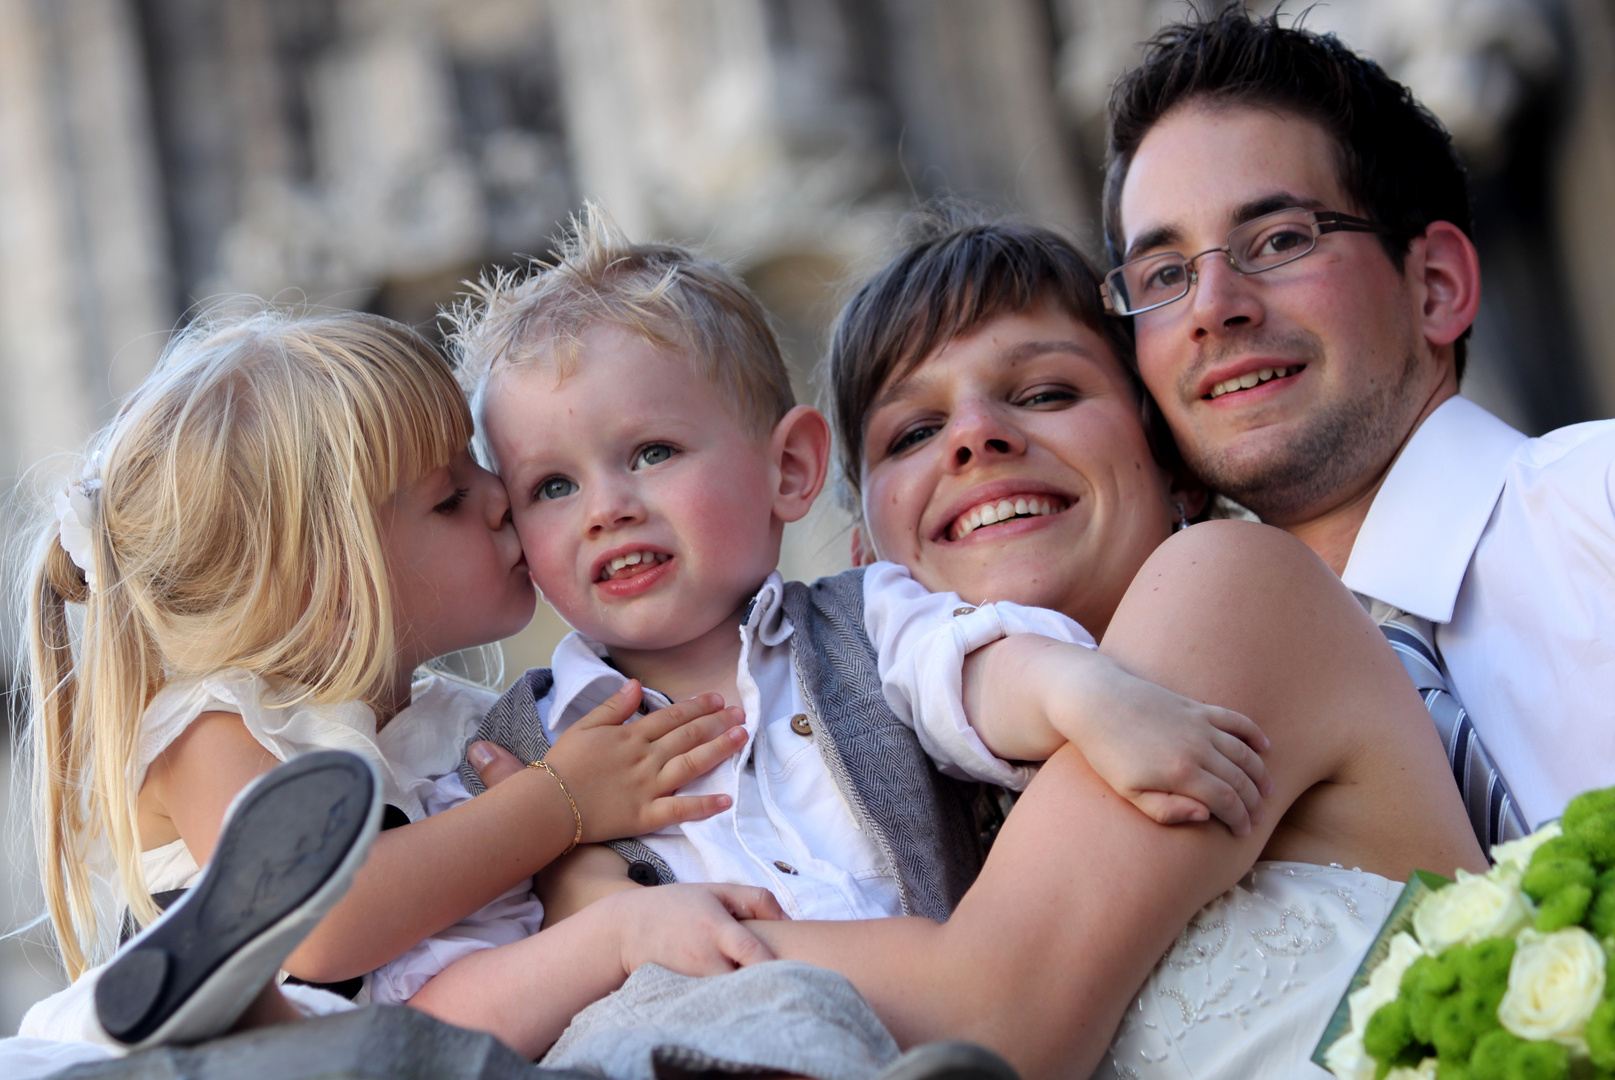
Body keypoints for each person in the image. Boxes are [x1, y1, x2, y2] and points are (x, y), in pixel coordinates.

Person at [400, 207, 1275, 1076]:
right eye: (551, 485)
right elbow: (431, 1016)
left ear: (788, 469)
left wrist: (1089, 698)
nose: (607, 507)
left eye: (652, 452)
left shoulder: (865, 619)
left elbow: (972, 667)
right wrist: (599, 934)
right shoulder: (508, 763)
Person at [3, 308, 783, 1078]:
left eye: (480, 466)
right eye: (449, 496)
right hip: (274, 1046)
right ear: (324, 583)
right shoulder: (214, 729)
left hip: (433, 1036)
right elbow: (328, 926)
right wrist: (558, 803)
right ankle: (230, 1002)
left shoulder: (463, 727)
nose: (499, 497)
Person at [1098, 6, 1615, 837]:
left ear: (1435, 285)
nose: (1212, 308)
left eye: (1276, 240)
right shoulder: (1168, 720)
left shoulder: (1602, 506)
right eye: (1162, 274)